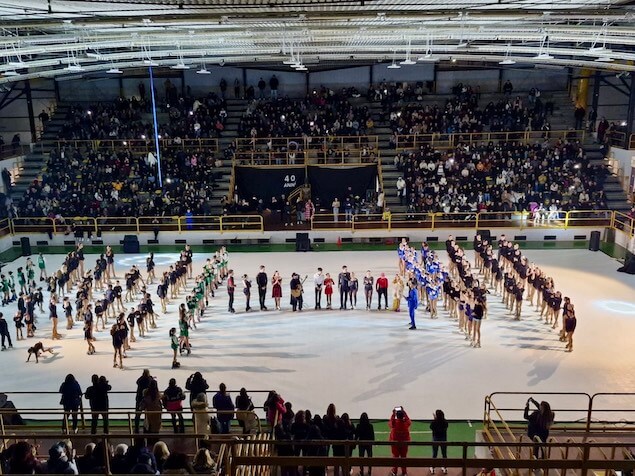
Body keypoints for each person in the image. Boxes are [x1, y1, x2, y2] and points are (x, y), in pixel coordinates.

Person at [389, 407, 411, 476]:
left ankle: (395, 472)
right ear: (403, 416)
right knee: (403, 457)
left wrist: (393, 414)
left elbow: (390, 423)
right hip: (404, 444)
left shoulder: (394, 423)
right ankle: (404, 472)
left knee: (395, 457)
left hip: (395, 444)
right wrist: (404, 413)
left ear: (396, 416)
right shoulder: (406, 423)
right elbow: (409, 421)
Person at [134, 369, 153, 433]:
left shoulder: (140, 380)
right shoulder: (149, 380)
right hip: (147, 400)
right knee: (148, 415)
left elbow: (137, 381)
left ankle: (136, 428)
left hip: (139, 399)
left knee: (138, 414)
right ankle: (147, 428)